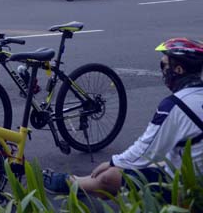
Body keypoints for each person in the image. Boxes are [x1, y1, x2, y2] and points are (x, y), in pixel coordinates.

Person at [44, 38, 203, 196]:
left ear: (179, 70)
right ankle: (83, 183)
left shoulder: (175, 106)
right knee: (157, 162)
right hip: (194, 170)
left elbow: (145, 150)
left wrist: (113, 162)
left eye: (164, 65)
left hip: (191, 187)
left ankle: (70, 183)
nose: (162, 70)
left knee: (110, 176)